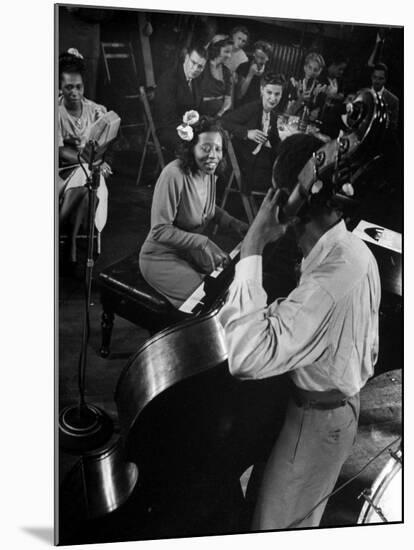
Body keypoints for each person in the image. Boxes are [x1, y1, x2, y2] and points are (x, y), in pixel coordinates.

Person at [218, 132, 381, 530]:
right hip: (334, 412)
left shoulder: (327, 282)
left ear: (286, 198)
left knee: (274, 528)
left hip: (314, 425)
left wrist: (254, 241)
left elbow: (244, 356)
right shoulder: (354, 250)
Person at [139, 114, 248, 308]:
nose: (213, 155)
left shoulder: (208, 172)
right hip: (160, 257)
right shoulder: (174, 174)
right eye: (205, 148)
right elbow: (160, 230)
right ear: (191, 149)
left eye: (218, 149)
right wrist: (203, 242)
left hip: (190, 251)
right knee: (207, 301)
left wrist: (233, 222)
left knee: (228, 284)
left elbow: (204, 207)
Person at [58, 49, 114, 264]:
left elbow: (102, 145)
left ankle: (68, 238)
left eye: (78, 87)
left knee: (88, 181)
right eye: (68, 87)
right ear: (60, 86)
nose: (74, 92)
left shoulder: (95, 110)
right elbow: (60, 150)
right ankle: (70, 238)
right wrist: (92, 162)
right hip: (61, 171)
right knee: (89, 177)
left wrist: (99, 159)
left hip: (89, 168)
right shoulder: (54, 110)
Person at [222, 72, 284, 193]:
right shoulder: (252, 108)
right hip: (245, 160)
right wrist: (247, 133)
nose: (273, 98)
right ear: (262, 90)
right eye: (269, 92)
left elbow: (275, 140)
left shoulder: (273, 115)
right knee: (279, 179)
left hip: (258, 156)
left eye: (277, 94)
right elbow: (223, 121)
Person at [154, 43, 208, 156]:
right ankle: (189, 172)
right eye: (193, 63)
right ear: (186, 58)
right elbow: (167, 119)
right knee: (197, 144)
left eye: (200, 67)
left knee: (216, 136)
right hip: (169, 129)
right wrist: (192, 127)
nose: (195, 69)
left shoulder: (197, 80)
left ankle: (207, 173)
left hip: (189, 127)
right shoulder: (169, 79)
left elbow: (200, 108)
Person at [199, 35, 234, 118]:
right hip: (202, 113)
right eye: (226, 51)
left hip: (221, 114)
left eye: (230, 52)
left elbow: (228, 99)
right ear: (216, 50)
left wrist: (220, 114)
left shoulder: (226, 72)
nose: (229, 56)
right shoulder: (202, 66)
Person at [286, 52, 326, 122]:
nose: (311, 72)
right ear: (305, 67)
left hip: (308, 124)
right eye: (309, 67)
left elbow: (319, 113)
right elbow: (288, 111)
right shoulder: (294, 82)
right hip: (290, 120)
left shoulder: (320, 88)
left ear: (320, 72)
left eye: (315, 70)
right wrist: (300, 99)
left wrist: (317, 112)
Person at [236, 41, 272, 107]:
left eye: (262, 58)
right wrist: (250, 74)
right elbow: (239, 95)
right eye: (257, 56)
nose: (258, 61)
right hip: (241, 107)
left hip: (257, 108)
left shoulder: (269, 73)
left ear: (267, 58)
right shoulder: (243, 67)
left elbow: (266, 99)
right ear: (254, 54)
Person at [370, 62, 399, 133]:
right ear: (371, 77)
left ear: (385, 80)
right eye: (375, 77)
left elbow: (393, 127)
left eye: (380, 79)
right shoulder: (362, 94)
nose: (376, 81)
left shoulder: (393, 101)